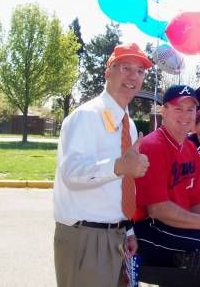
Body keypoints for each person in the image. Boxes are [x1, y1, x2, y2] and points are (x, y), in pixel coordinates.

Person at [53, 43, 151, 287]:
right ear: (108, 71)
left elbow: (120, 188)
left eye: (140, 71)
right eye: (125, 67)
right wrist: (118, 166)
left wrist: (127, 230)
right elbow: (71, 173)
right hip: (85, 237)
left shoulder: (129, 124)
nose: (133, 76)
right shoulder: (86, 116)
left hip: (116, 237)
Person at [134, 85, 200, 287]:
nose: (185, 115)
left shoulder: (190, 147)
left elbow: (197, 200)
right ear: (163, 111)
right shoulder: (152, 145)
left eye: (190, 109)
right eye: (178, 108)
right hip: (149, 228)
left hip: (176, 225)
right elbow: (158, 209)